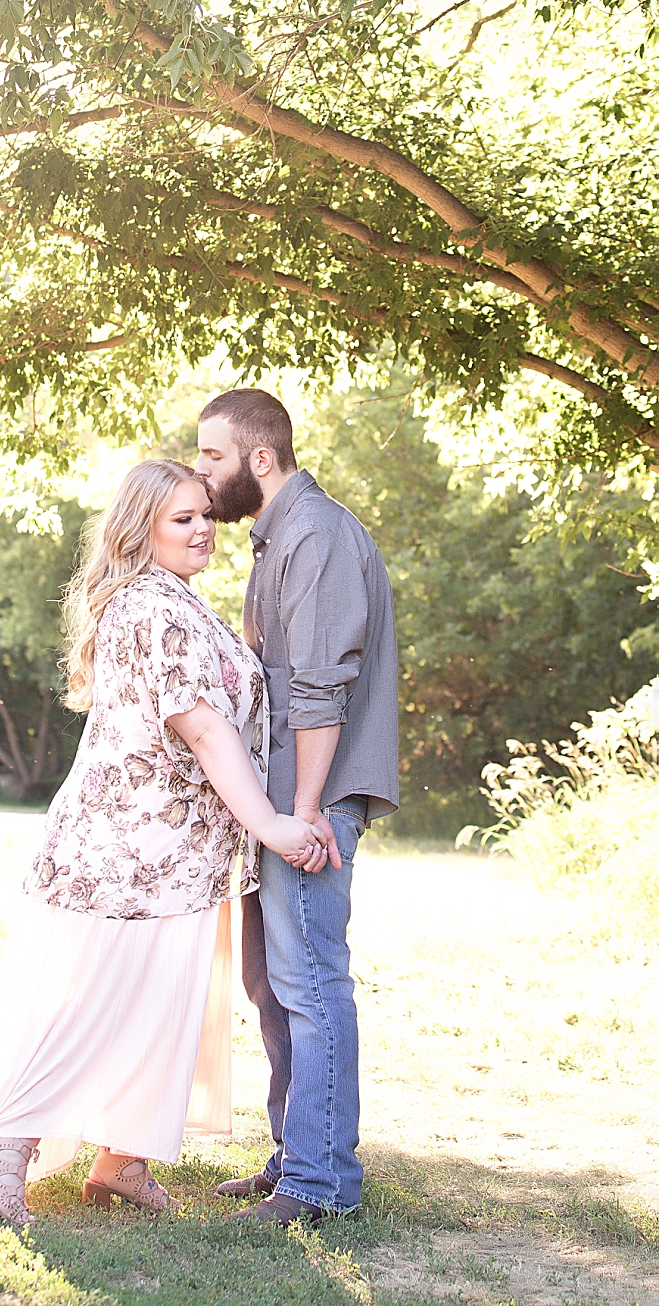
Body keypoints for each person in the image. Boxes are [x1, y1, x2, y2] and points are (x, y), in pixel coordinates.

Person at [0, 458, 330, 1226]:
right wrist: (271, 826)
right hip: (134, 852)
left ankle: (121, 1160)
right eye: (182, 518)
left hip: (170, 853)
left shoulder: (171, 601)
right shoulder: (155, 607)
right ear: (140, 527)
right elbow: (206, 731)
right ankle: (3, 1138)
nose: (203, 529)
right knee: (103, 1002)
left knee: (160, 1003)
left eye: (206, 515)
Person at [194, 389, 399, 1227]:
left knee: (310, 982)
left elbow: (318, 686)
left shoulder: (313, 535)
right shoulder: (278, 536)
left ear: (260, 459)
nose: (201, 473)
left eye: (211, 456)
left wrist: (306, 808)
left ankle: (320, 1186)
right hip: (274, 802)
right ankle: (295, 1161)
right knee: (271, 984)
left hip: (305, 802)